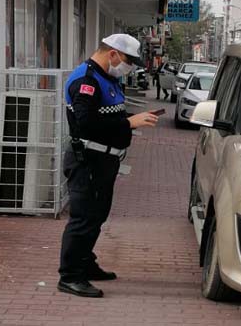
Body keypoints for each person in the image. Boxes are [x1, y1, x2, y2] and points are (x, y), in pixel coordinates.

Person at [58, 34, 159, 298]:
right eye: (128, 61)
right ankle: (70, 277)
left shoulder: (109, 79)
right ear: (113, 54)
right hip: (88, 161)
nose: (130, 67)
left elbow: (109, 115)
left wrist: (131, 119)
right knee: (83, 220)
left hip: (104, 161)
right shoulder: (86, 81)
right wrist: (129, 123)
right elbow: (85, 123)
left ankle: (85, 264)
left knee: (96, 217)